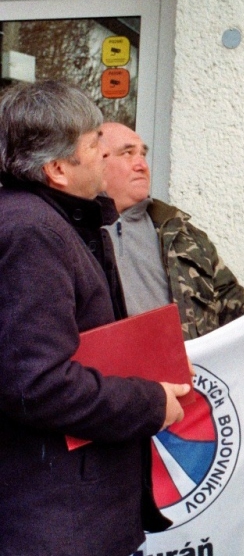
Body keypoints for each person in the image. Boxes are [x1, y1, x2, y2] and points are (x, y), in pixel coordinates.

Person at [0, 80, 191, 555]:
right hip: (53, 522)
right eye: (94, 146)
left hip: (67, 512)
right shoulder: (32, 230)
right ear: (58, 169)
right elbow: (37, 385)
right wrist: (148, 403)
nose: (106, 157)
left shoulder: (61, 218)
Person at [99, 121, 244, 340]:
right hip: (108, 371)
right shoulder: (75, 236)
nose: (142, 165)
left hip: (186, 371)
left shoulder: (181, 235)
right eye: (127, 153)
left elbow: (226, 302)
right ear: (97, 161)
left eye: (143, 155)